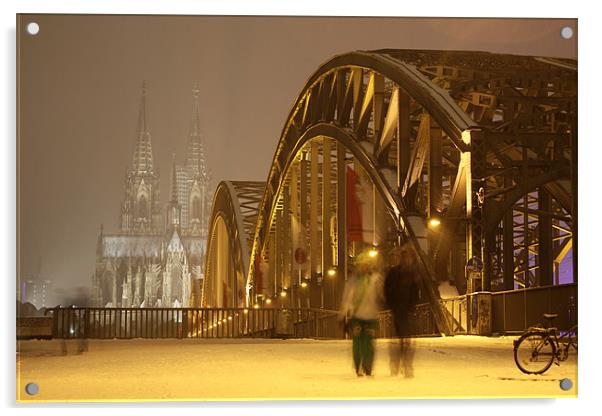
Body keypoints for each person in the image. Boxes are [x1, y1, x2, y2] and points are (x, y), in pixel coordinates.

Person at [338, 248, 385, 377]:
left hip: (371, 317)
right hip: (357, 316)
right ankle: (358, 366)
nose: (363, 267)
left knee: (369, 344)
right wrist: (343, 315)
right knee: (358, 343)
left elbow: (381, 295)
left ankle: (368, 367)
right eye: (361, 265)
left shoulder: (375, 279)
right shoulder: (354, 281)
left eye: (366, 265)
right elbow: (346, 298)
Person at [383, 243, 419, 378]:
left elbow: (416, 292)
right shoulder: (394, 273)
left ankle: (406, 365)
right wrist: (391, 304)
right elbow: (387, 289)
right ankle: (397, 364)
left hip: (407, 309)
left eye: (407, 256)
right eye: (403, 256)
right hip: (398, 308)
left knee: (407, 339)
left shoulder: (411, 273)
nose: (405, 259)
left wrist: (413, 305)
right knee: (400, 338)